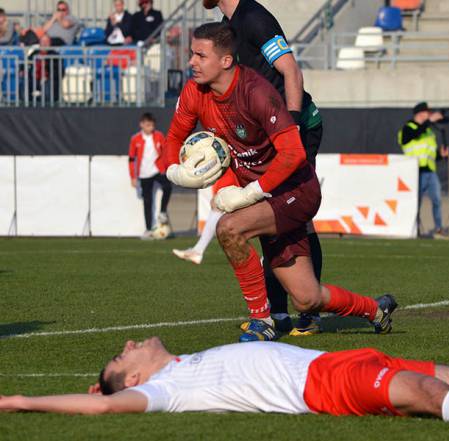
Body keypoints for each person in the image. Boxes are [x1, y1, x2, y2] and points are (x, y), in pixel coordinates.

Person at [164, 22, 396, 342]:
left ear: (226, 61)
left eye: (200, 55)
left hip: (296, 191)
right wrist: (173, 172)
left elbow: (294, 153)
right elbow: (175, 136)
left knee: (230, 228)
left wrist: (248, 194)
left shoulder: (256, 92)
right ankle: (375, 310)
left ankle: (263, 320)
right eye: (192, 54)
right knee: (307, 297)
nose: (191, 62)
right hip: (264, 197)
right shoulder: (194, 91)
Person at [0, 336, 449, 426]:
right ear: (131, 375)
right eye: (124, 352)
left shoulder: (181, 363)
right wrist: (20, 398)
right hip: (322, 386)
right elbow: (104, 408)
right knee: (423, 395)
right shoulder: (166, 388)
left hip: (336, 359)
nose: (131, 342)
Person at [173, 0, 325, 338]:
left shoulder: (255, 18)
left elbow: (291, 71)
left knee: (294, 217)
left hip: (293, 125)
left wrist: (294, 125)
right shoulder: (225, 24)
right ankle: (279, 312)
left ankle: (308, 312)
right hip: (265, 129)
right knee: (265, 214)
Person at [398, 102, 449, 239]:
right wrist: (429, 121)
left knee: (437, 200)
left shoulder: (428, 131)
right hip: (415, 172)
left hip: (430, 171)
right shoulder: (408, 128)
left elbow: (429, 154)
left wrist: (440, 155)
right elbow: (413, 135)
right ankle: (413, 230)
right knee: (416, 202)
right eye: (427, 112)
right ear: (420, 113)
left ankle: (438, 230)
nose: (429, 114)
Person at [128, 113, 172, 240]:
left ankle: (163, 212)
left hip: (157, 170)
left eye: (152, 125)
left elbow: (165, 152)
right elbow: (131, 159)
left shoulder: (158, 136)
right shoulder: (135, 139)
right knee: (148, 201)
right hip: (144, 174)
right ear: (141, 124)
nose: (150, 128)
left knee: (167, 187)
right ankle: (148, 229)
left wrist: (167, 166)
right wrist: (133, 177)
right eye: (148, 125)